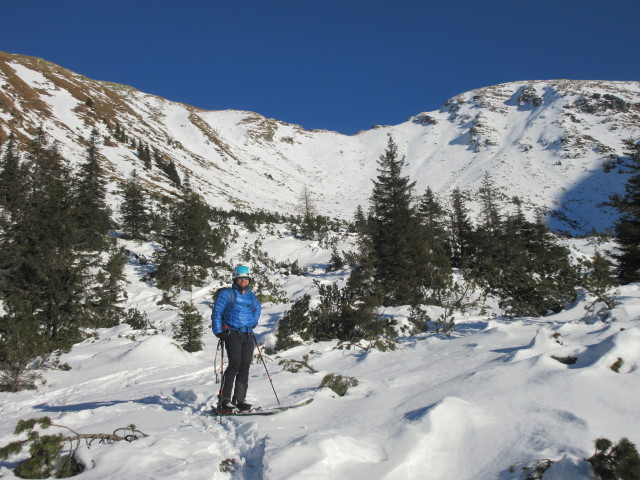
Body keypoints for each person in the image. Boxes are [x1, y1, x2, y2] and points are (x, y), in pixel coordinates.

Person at [211, 265, 261, 411]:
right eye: (240, 278)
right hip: (231, 332)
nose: (243, 281)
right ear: (235, 279)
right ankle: (224, 400)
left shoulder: (251, 296)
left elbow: (257, 309)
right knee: (234, 364)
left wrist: (253, 322)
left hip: (248, 333)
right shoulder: (227, 294)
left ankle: (239, 399)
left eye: (246, 278)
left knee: (244, 366)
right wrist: (219, 331)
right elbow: (217, 313)